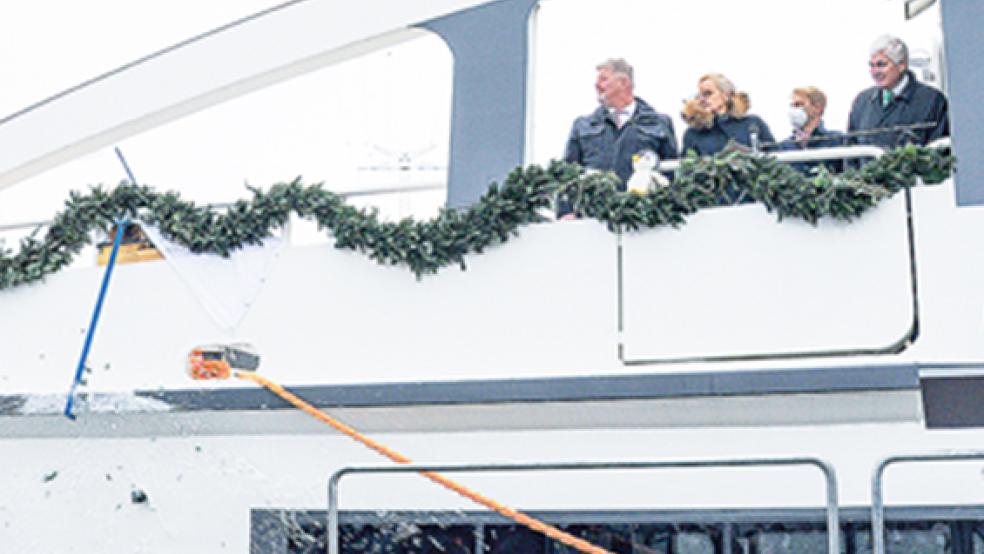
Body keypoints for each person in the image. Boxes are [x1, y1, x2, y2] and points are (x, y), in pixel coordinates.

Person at [561, 58, 677, 218]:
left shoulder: (659, 123)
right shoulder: (583, 126)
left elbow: (670, 173)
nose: (597, 85)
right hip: (592, 220)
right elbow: (567, 173)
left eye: (603, 79)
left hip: (643, 220)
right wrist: (565, 212)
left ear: (623, 82)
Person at [847, 35, 948, 147]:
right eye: (871, 65)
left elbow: (939, 152)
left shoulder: (932, 101)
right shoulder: (862, 103)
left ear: (902, 65)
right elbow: (851, 152)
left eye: (881, 64)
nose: (875, 72)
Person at [681, 73, 775, 157]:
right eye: (698, 96)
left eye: (708, 93)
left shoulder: (752, 123)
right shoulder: (693, 133)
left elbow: (774, 155)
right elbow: (685, 169)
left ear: (726, 95)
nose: (701, 100)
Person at [776, 86, 845, 173]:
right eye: (792, 106)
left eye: (798, 105)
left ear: (817, 108)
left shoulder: (836, 140)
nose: (794, 110)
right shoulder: (784, 146)